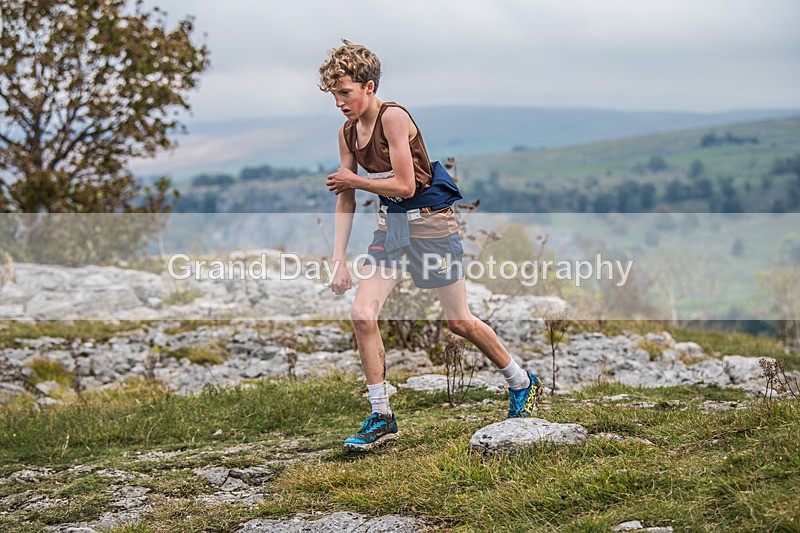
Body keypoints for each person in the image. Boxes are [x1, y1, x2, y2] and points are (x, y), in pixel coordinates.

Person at [318, 40, 542, 452]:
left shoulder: (394, 118)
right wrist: (338, 258)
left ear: (368, 87)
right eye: (334, 94)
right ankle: (382, 415)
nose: (338, 102)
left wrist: (355, 180)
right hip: (391, 229)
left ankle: (521, 381)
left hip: (433, 226)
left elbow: (406, 185)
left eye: (345, 92)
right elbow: (345, 197)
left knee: (459, 322)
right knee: (362, 314)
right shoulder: (347, 132)